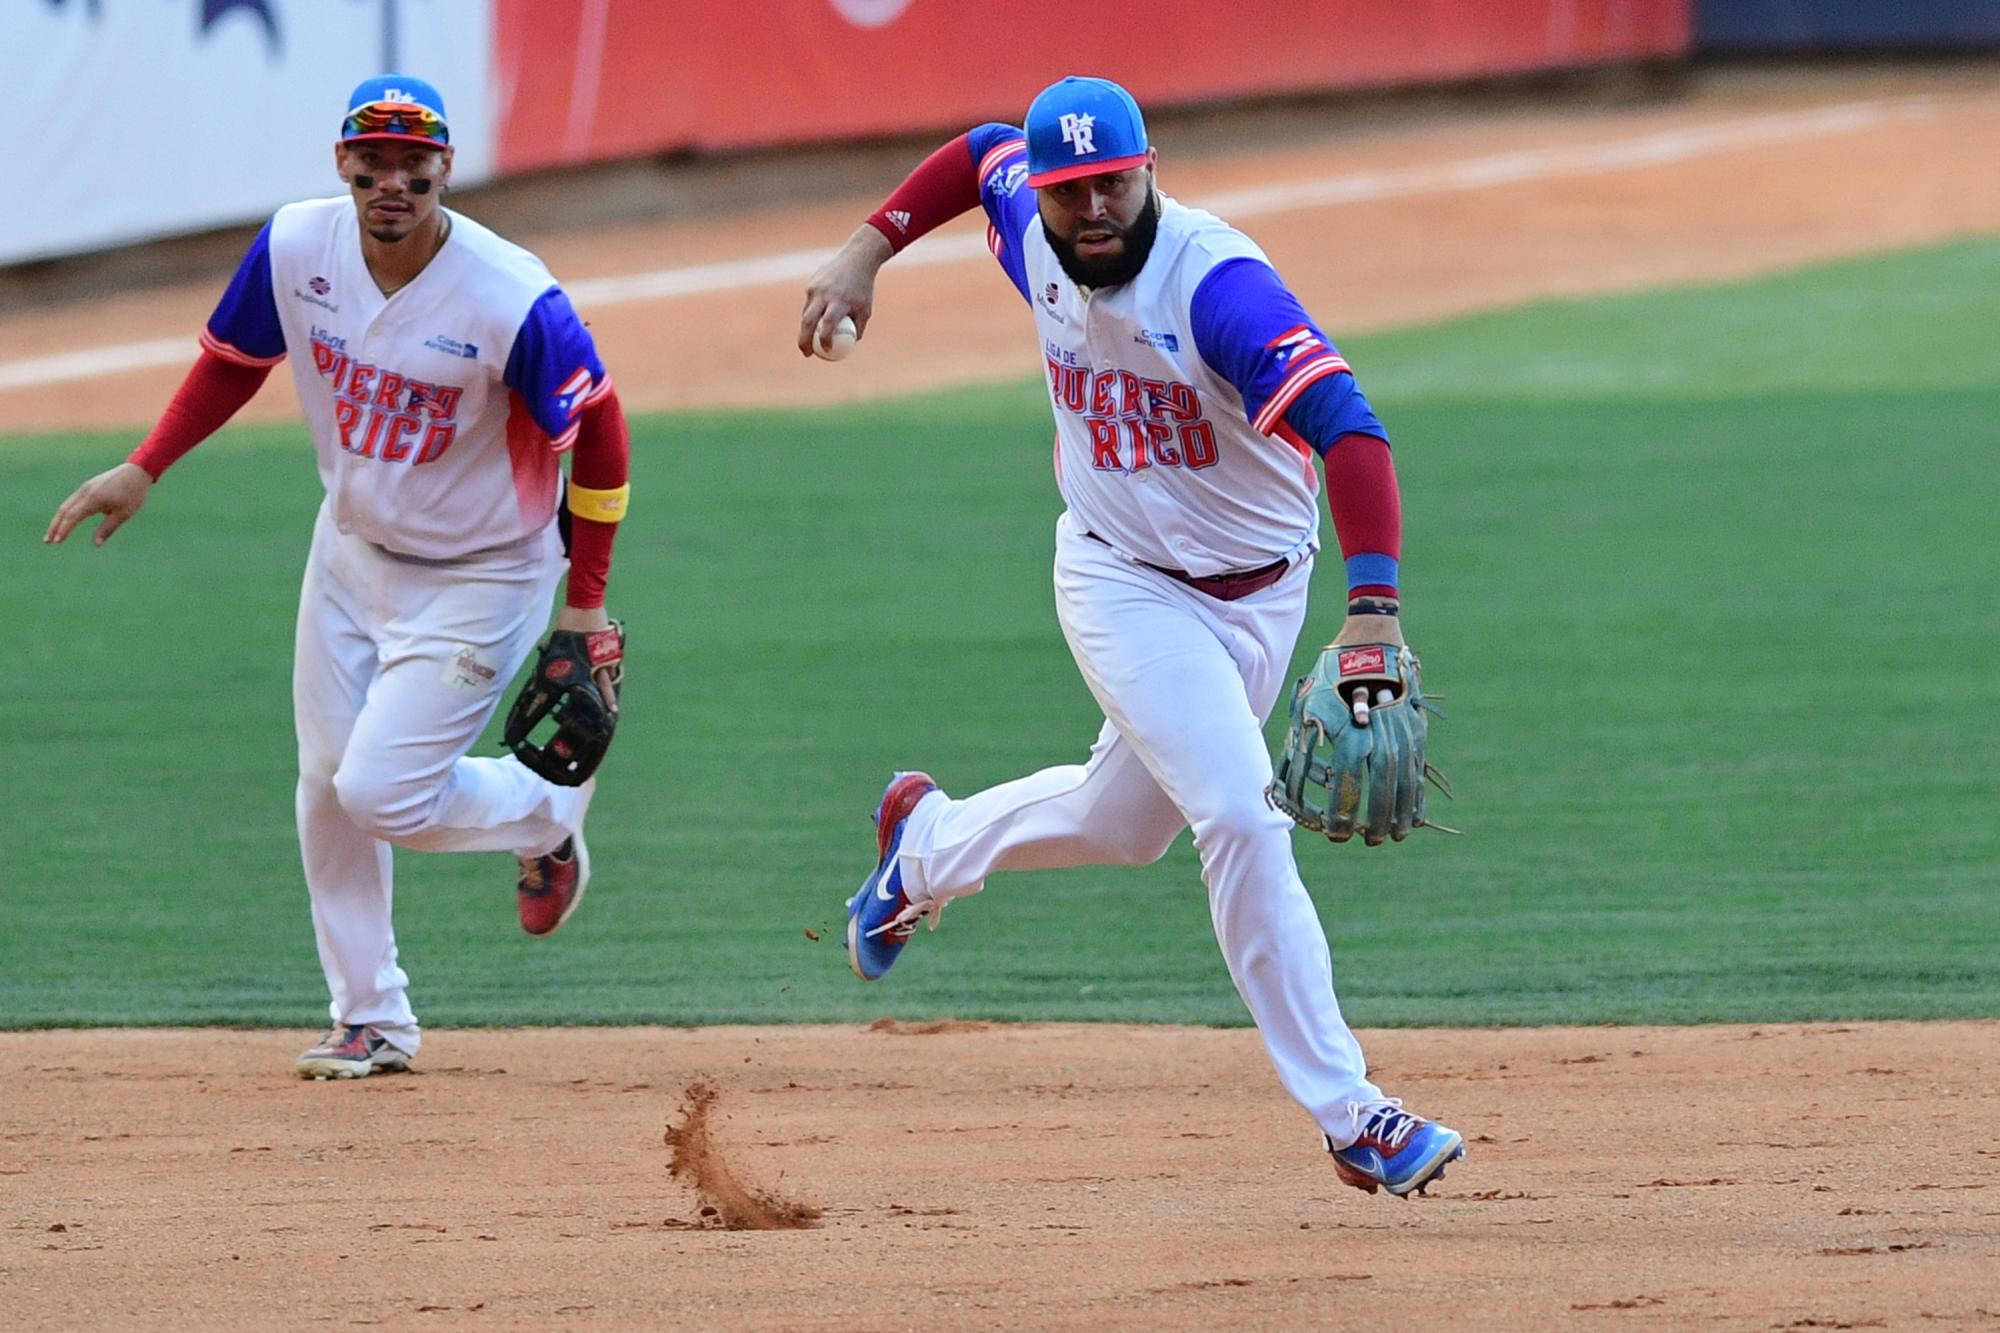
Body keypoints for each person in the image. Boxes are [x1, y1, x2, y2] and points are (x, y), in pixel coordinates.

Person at [798, 75, 1464, 1197]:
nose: (1092, 207)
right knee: (1243, 817)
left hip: (1261, 594)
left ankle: (920, 848)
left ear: (1150, 167)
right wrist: (866, 249)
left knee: (1123, 826)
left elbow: (1347, 428)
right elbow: (976, 152)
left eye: (1112, 181)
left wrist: (1373, 612)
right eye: (1071, 193)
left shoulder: (1216, 291)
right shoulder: (1031, 221)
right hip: (1117, 581)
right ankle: (1353, 1115)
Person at [44, 75, 632, 1081]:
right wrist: (146, 464)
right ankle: (370, 1017)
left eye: (416, 164)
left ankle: (545, 812)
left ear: (446, 169)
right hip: (349, 552)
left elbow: (603, 437)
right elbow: (236, 357)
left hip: (483, 573)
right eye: (374, 162)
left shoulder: (510, 296)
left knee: (379, 790)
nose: (392, 181)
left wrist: (583, 602)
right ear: (342, 163)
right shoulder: (295, 247)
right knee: (324, 786)